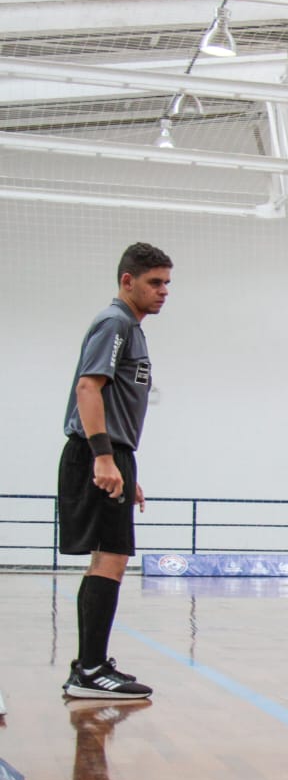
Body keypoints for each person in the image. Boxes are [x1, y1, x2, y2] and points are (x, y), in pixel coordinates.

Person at [58, 242, 172, 701]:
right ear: (127, 281)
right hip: (95, 452)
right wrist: (104, 457)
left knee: (113, 556)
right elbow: (89, 387)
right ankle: (88, 669)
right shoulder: (115, 323)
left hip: (113, 452)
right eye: (154, 282)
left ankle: (92, 664)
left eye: (167, 283)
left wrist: (124, 463)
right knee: (110, 556)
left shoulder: (133, 329)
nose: (163, 292)